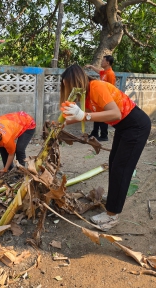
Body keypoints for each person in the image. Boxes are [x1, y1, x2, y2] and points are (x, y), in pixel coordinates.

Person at [60, 64, 151, 230]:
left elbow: (114, 113)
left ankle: (112, 215)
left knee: (121, 168)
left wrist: (84, 115)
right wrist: (61, 123)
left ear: (76, 81)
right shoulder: (85, 96)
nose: (67, 88)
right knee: (114, 163)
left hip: (136, 125)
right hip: (124, 127)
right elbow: (82, 115)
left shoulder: (96, 86)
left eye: (68, 84)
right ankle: (114, 200)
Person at [0, 111, 36, 183]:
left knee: (19, 149)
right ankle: (9, 171)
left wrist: (5, 169)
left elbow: (11, 153)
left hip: (27, 123)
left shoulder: (6, 139)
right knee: (2, 148)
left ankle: (20, 173)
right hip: (12, 123)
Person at [85, 55, 116, 141]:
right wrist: (91, 66)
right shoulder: (104, 72)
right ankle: (95, 132)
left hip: (106, 98)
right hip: (101, 97)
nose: (101, 62)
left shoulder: (110, 74)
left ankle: (104, 135)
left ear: (107, 63)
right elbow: (99, 71)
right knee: (97, 115)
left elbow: (111, 88)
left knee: (103, 117)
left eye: (103, 61)